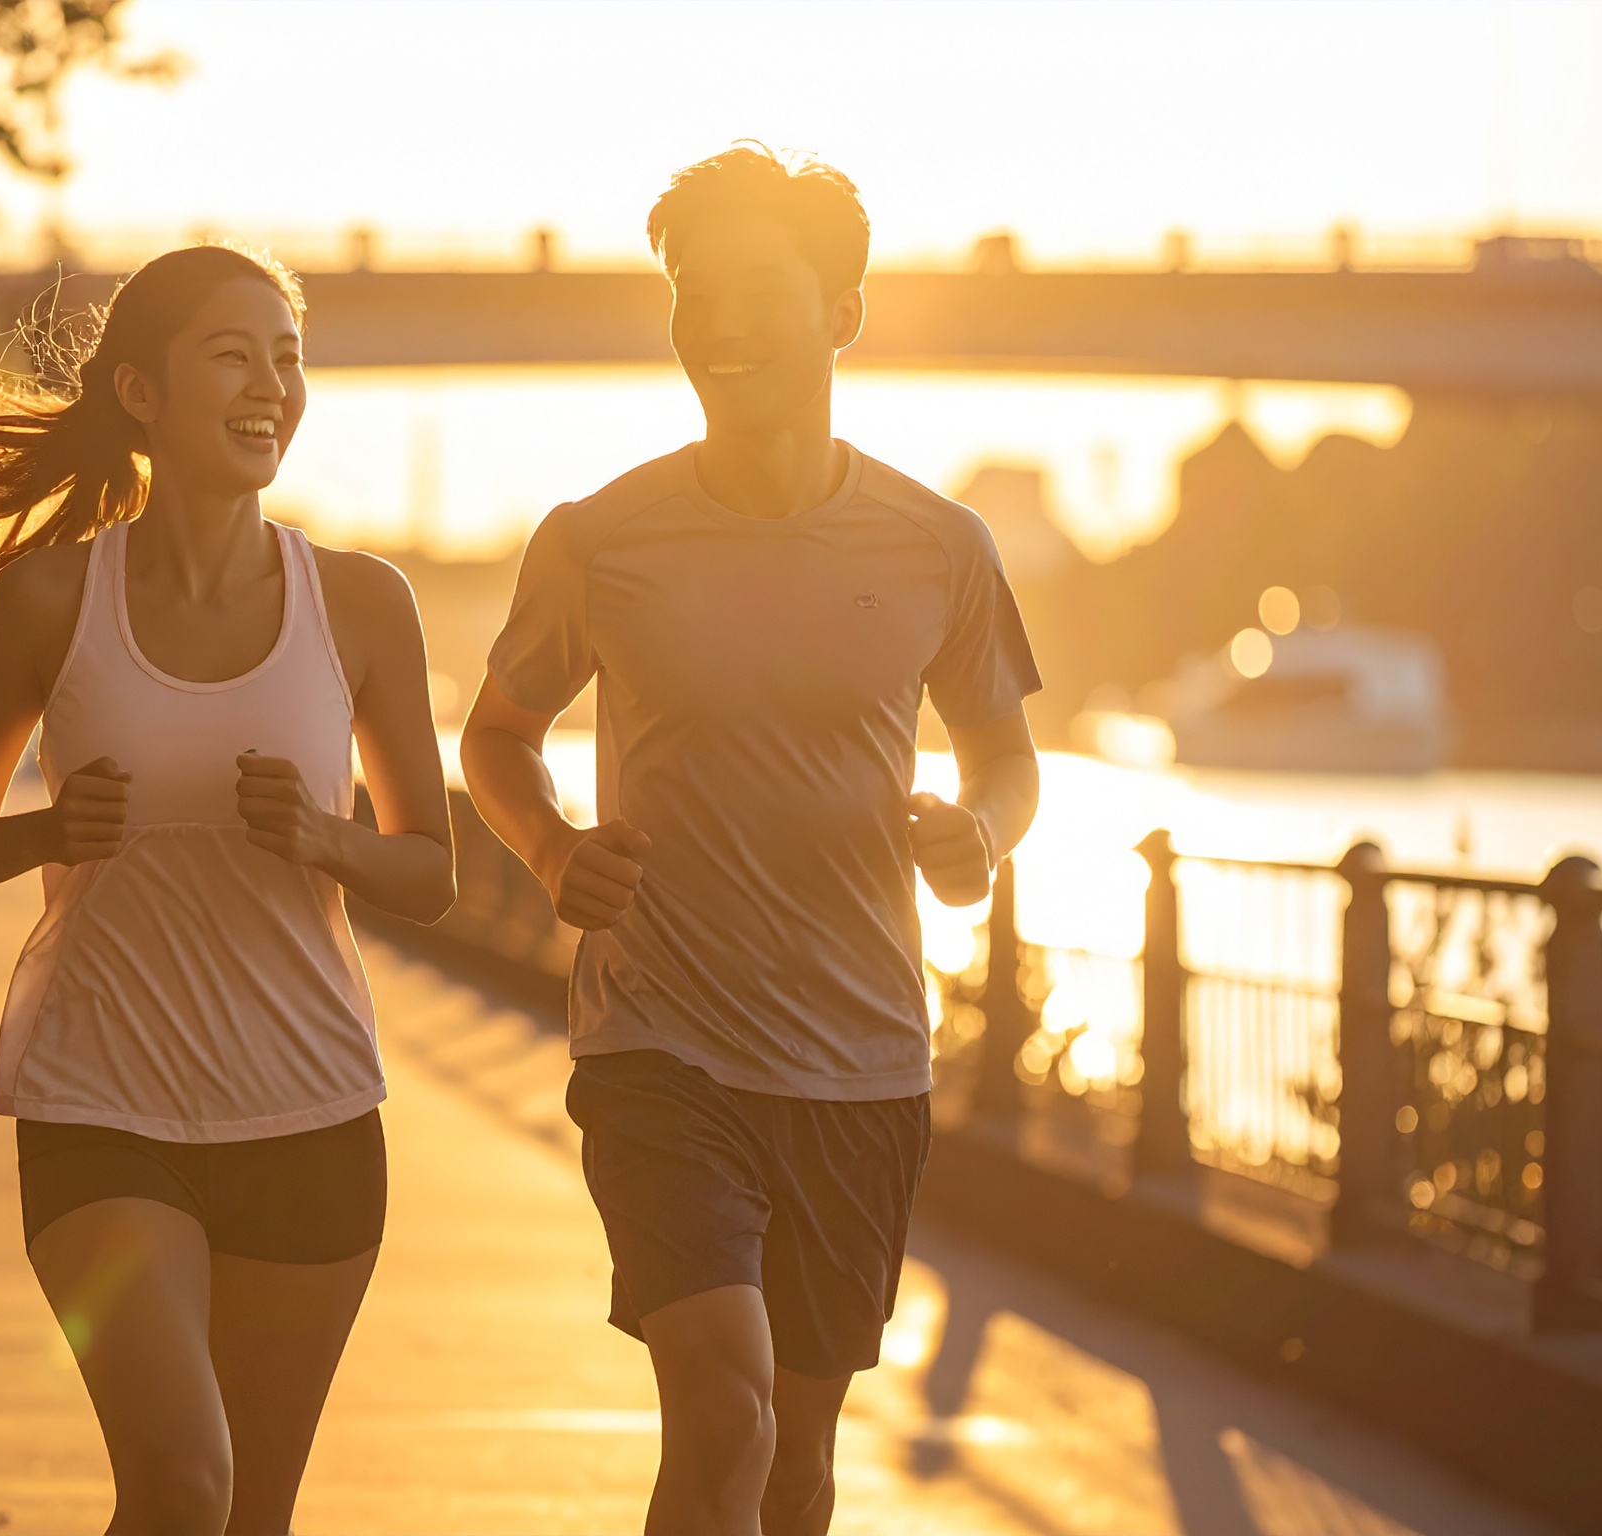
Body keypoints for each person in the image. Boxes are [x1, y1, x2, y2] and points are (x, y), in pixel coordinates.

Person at [459, 146, 1043, 1536]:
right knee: (724, 1407)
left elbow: (1008, 762)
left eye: (754, 291)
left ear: (843, 311)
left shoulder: (941, 545)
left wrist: (981, 836)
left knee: (795, 1464)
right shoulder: (600, 538)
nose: (715, 321)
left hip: (859, 1064)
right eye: (689, 290)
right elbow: (493, 737)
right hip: (659, 1045)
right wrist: (549, 854)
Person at [0, 245, 455, 1536]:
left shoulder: (361, 605)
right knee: (184, 1482)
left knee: (250, 1514)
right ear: (140, 392)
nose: (272, 385)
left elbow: (432, 872)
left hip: (307, 1115)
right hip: (103, 1106)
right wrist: (49, 833)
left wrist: (326, 838)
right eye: (235, 355)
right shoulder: (53, 599)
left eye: (289, 358)